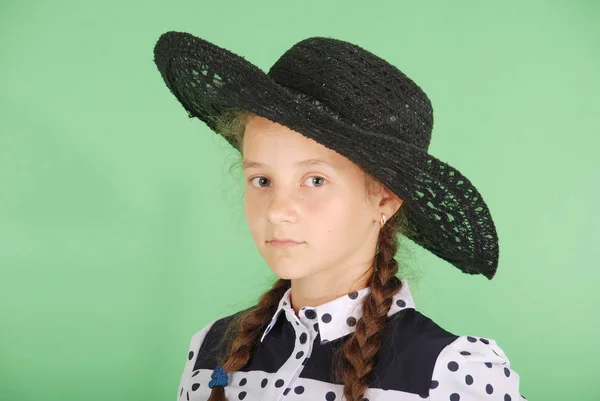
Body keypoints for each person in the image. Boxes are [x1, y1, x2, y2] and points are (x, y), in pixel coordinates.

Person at [153, 32, 527, 401]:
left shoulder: (449, 374)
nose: (278, 210)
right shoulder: (210, 352)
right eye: (262, 179)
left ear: (385, 197)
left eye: (315, 180)